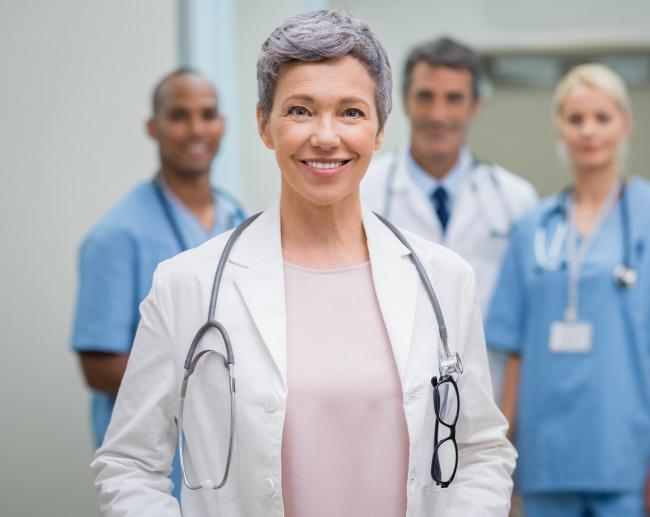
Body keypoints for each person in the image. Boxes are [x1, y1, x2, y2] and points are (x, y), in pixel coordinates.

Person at [91, 10, 515, 517]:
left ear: (379, 130)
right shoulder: (187, 283)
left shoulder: (444, 279)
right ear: (264, 125)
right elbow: (129, 462)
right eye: (300, 110)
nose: (326, 136)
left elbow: (482, 451)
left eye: (352, 112)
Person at [71, 68, 246, 498]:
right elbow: (98, 368)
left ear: (222, 124)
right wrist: (210, 393)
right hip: (159, 470)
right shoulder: (116, 236)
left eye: (207, 115)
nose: (195, 129)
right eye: (178, 116)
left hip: (233, 461)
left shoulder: (238, 220)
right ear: (153, 127)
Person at [486, 63, 650, 517]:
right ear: (559, 126)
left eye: (602, 117)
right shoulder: (533, 227)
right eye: (576, 119)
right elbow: (515, 350)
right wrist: (503, 453)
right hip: (547, 454)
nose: (588, 131)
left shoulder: (645, 216)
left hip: (625, 452)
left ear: (625, 123)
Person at [361, 37, 537, 402]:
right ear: (404, 101)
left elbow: (525, 323)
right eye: (426, 96)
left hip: (484, 391)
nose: (438, 114)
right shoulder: (364, 192)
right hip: (389, 390)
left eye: (454, 98)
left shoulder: (515, 200)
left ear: (475, 105)